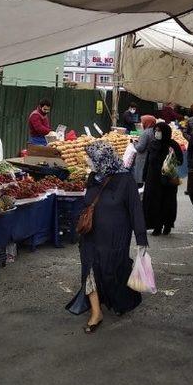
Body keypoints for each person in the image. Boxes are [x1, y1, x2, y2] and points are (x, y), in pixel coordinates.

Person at [66, 142, 147, 333]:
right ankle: (96, 312)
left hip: (115, 237)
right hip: (91, 235)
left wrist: (141, 240)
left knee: (112, 271)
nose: (88, 161)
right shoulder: (93, 177)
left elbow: (136, 210)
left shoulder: (126, 180)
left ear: (102, 160)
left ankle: (122, 299)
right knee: (89, 270)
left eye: (91, 158)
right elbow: (88, 202)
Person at [142, 121, 184, 236]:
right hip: (153, 179)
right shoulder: (152, 144)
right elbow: (148, 161)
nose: (157, 133)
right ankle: (156, 226)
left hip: (167, 180)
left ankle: (167, 225)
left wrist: (173, 155)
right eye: (155, 130)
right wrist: (144, 176)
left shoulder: (173, 145)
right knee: (153, 202)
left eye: (159, 131)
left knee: (167, 202)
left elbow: (180, 161)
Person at [130, 114, 156, 188]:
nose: (141, 124)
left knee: (140, 177)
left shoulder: (145, 133)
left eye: (142, 122)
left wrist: (134, 143)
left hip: (143, 158)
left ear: (147, 123)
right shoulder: (154, 131)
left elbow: (140, 148)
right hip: (150, 157)